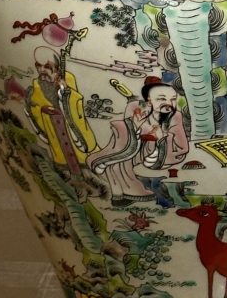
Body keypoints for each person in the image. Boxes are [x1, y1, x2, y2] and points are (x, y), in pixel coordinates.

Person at [87, 77, 188, 206]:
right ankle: (119, 195)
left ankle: (120, 188)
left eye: (173, 99)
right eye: (162, 99)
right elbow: (129, 129)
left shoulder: (175, 116)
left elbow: (181, 145)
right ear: (149, 100)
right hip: (138, 148)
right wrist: (138, 128)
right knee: (122, 143)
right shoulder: (137, 107)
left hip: (163, 152)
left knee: (124, 152)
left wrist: (161, 138)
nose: (168, 103)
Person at [27, 47, 97, 171]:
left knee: (82, 159)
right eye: (39, 66)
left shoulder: (67, 79)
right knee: (62, 158)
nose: (42, 70)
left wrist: (65, 92)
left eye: (47, 67)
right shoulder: (35, 87)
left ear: (56, 67)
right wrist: (40, 110)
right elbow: (35, 110)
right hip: (53, 129)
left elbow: (76, 104)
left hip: (70, 128)